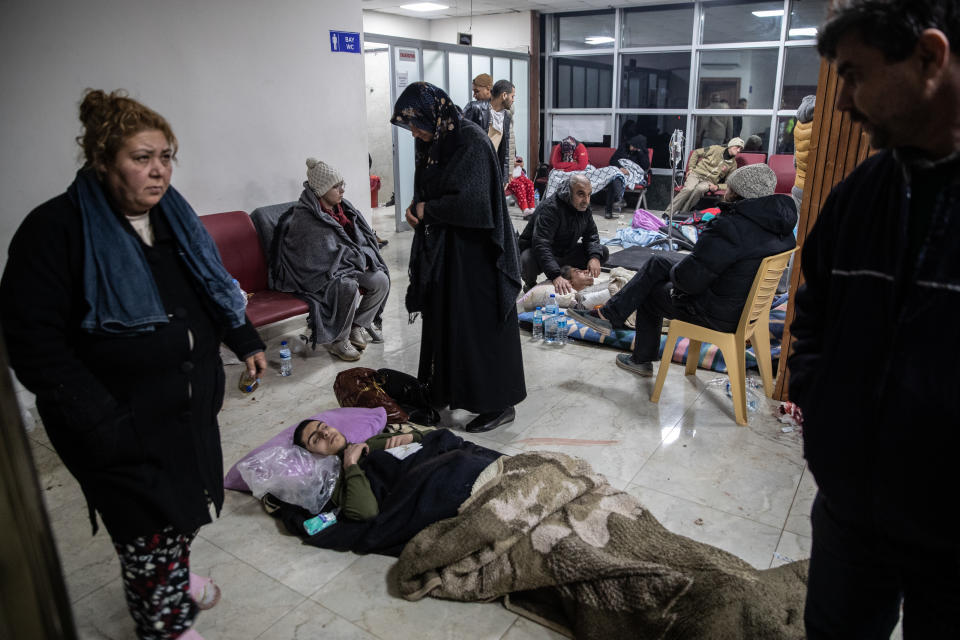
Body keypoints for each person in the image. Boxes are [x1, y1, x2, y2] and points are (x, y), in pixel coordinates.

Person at [0, 89, 268, 640]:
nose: (159, 171)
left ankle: (175, 575)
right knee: (145, 530)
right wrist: (100, 420)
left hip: (186, 410)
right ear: (101, 161)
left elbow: (210, 287)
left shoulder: (174, 217)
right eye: (141, 158)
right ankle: (165, 624)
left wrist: (243, 338)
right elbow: (32, 343)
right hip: (116, 422)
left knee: (186, 503)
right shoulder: (57, 231)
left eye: (166, 156)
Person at [788, 2, 960, 637]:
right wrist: (821, 401)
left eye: (855, 75)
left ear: (929, 59)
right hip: (852, 515)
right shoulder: (861, 195)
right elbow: (813, 315)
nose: (841, 104)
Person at [569, 163, 796, 376]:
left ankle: (639, 357)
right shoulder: (780, 229)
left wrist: (678, 272)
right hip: (743, 307)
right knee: (657, 262)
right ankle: (608, 315)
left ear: (737, 194)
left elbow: (688, 282)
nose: (726, 191)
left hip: (717, 313)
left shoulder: (732, 227)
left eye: (731, 187)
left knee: (651, 289)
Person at [391, 81, 526, 433]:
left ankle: (499, 403)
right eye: (409, 126)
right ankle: (440, 394)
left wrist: (428, 209)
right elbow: (430, 192)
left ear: (434, 113)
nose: (414, 132)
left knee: (478, 328)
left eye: (416, 123)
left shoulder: (470, 141)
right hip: (447, 250)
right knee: (444, 323)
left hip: (479, 254)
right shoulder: (436, 141)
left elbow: (475, 204)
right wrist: (415, 209)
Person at [273, 159, 390, 361]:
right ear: (321, 189)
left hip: (347, 263)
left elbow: (357, 239)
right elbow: (314, 256)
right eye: (336, 186)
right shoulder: (306, 216)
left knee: (380, 281)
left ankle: (357, 326)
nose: (342, 190)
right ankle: (339, 341)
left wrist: (362, 256)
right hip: (317, 272)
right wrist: (353, 259)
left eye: (341, 184)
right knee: (347, 286)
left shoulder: (342, 208)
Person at [292, 419, 422, 521]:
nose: (325, 433)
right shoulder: (337, 483)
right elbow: (367, 511)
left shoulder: (372, 442)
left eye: (324, 427)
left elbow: (436, 436)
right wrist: (350, 465)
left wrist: (412, 437)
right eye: (316, 439)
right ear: (312, 456)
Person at [518, 174, 609, 293]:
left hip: (564, 251)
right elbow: (541, 244)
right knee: (526, 259)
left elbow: (591, 235)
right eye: (581, 194)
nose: (586, 201)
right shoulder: (551, 209)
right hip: (541, 253)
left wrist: (595, 257)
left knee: (602, 252)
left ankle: (571, 277)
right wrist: (555, 275)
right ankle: (530, 285)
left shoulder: (584, 208)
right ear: (569, 192)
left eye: (589, 195)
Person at [666, 137, 744, 215]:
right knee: (689, 189)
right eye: (737, 147)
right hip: (696, 174)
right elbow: (696, 152)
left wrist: (717, 186)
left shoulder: (733, 165)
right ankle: (668, 213)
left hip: (709, 182)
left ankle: (682, 213)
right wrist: (691, 168)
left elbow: (729, 183)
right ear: (731, 145)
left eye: (740, 149)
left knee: (699, 189)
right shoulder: (715, 149)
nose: (738, 150)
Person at [462, 78, 515, 184]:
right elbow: (461, 138)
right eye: (512, 96)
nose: (513, 100)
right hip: (472, 168)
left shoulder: (506, 116)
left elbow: (505, 149)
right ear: (504, 95)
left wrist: (504, 178)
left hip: (491, 169)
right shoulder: (475, 108)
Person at [597, 133, 651, 219]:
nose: (632, 147)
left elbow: (645, 166)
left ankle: (610, 208)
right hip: (620, 170)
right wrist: (620, 167)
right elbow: (613, 160)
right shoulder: (623, 147)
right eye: (632, 145)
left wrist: (640, 153)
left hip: (633, 173)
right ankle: (618, 201)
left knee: (614, 180)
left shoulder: (643, 152)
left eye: (635, 147)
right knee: (614, 178)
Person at [791, 95, 816, 205]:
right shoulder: (820, 126)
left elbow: (795, 161)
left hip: (798, 186)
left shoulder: (798, 124)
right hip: (812, 189)